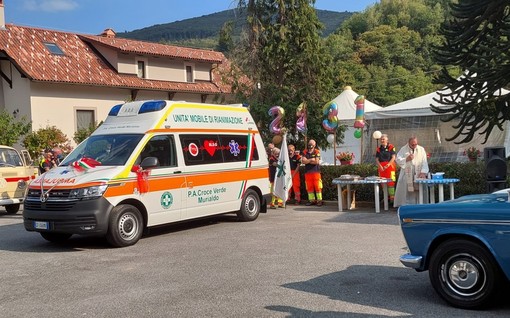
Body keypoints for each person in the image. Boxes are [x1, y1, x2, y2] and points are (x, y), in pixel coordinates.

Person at [394, 136, 429, 207]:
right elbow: (397, 159)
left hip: (418, 174)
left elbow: (424, 162)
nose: (414, 146)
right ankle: (407, 206)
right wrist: (406, 159)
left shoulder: (421, 149)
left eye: (415, 144)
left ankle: (420, 206)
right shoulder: (403, 149)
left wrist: (423, 172)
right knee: (407, 192)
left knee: (418, 191)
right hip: (407, 174)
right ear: (408, 143)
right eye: (412, 145)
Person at [375, 134, 397, 203]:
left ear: (387, 140)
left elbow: (393, 157)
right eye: (381, 139)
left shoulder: (391, 147)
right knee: (382, 182)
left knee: (391, 183)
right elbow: (377, 159)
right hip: (381, 168)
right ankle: (385, 198)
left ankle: (392, 199)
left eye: (383, 139)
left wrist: (388, 165)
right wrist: (380, 166)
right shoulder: (378, 149)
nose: (382, 140)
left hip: (390, 167)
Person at [301, 139, 323, 206]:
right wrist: (311, 159)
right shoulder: (304, 152)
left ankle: (319, 201)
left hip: (316, 172)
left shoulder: (317, 151)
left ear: (314, 145)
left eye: (312, 144)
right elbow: (303, 161)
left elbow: (316, 162)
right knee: (309, 187)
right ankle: (312, 200)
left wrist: (307, 160)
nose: (310, 145)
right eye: (309, 143)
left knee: (317, 187)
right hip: (308, 173)